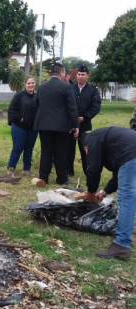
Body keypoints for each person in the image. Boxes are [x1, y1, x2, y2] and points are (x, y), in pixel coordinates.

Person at [81, 127, 136, 259]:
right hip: (131, 154)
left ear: (85, 146)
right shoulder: (111, 140)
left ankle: (122, 245)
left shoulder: (90, 139)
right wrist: (104, 192)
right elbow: (119, 172)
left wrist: (91, 192)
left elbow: (93, 169)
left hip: (132, 154)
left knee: (126, 198)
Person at [33, 63, 79, 186]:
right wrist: (75, 125)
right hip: (61, 126)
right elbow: (72, 108)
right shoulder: (66, 87)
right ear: (61, 73)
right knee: (61, 152)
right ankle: (62, 178)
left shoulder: (42, 87)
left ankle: (43, 177)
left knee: (46, 151)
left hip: (44, 125)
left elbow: (36, 104)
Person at [66, 65, 101, 176]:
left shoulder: (93, 90)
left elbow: (96, 107)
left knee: (86, 149)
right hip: (71, 123)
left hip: (85, 124)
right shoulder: (71, 88)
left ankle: (88, 171)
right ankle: (68, 171)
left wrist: (84, 117)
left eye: (83, 75)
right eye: (78, 74)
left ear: (87, 75)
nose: (80, 77)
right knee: (69, 149)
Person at [7, 75, 38, 177]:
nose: (31, 85)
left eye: (32, 83)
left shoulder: (37, 96)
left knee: (29, 148)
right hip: (19, 127)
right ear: (25, 84)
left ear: (35, 84)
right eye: (29, 83)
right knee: (18, 148)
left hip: (33, 128)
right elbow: (11, 109)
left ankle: (27, 169)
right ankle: (11, 168)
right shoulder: (19, 96)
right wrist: (20, 118)